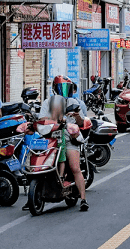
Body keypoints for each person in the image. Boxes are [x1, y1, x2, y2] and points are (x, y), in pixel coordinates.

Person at [43, 76, 88, 211]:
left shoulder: (74, 102)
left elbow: (81, 123)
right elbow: (42, 119)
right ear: (55, 89)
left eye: (66, 88)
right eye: (61, 87)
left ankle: (83, 199)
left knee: (75, 168)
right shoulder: (48, 102)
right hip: (50, 139)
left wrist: (77, 117)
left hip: (68, 139)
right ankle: (33, 196)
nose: (64, 91)